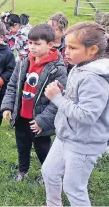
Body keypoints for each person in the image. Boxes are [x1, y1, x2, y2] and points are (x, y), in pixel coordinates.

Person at [42, 22, 109, 206]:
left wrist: (57, 99)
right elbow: (77, 101)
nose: (66, 51)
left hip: (84, 143)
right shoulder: (80, 67)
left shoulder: (94, 78)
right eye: (66, 46)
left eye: (72, 47)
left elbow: (88, 116)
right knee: (49, 172)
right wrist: (63, 93)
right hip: (66, 135)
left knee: (74, 188)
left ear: (92, 50)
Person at [1, 24, 68, 183]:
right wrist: (8, 106)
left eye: (37, 44)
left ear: (50, 45)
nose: (32, 47)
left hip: (39, 120)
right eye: (30, 43)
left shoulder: (57, 69)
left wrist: (41, 121)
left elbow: (57, 101)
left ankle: (48, 173)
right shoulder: (23, 62)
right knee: (22, 146)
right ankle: (22, 170)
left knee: (42, 148)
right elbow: (12, 85)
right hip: (21, 116)